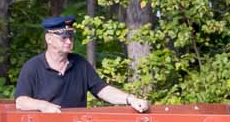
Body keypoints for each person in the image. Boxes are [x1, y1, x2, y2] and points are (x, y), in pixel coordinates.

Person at [13, 16, 152, 114]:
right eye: (64, 38)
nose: (69, 42)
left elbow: (102, 90)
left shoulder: (80, 64)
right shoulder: (32, 67)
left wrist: (130, 99)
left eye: (71, 38)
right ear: (49, 39)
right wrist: (43, 106)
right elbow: (21, 101)